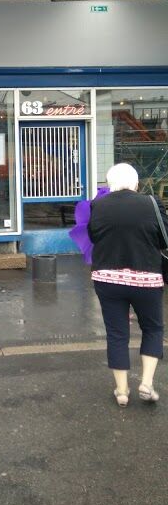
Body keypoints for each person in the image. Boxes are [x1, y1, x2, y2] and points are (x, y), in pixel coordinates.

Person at [88, 163, 168, 407]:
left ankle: (122, 391)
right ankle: (146, 383)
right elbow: (165, 237)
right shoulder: (152, 203)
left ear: (109, 183)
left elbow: (93, 236)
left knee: (117, 333)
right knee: (152, 328)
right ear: (136, 183)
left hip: (107, 279)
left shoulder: (98, 205)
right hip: (147, 278)